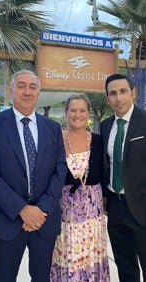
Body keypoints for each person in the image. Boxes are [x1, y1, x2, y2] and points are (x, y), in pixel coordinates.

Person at [0, 69, 67, 282]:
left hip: (44, 221)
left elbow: (60, 169)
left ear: (39, 92)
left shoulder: (53, 128)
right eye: (21, 86)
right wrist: (22, 209)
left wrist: (41, 209)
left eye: (33, 87)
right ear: (11, 90)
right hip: (8, 220)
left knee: (41, 277)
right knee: (5, 277)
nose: (27, 91)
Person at [50, 93, 110, 281]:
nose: (78, 114)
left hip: (93, 213)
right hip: (65, 212)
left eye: (82, 110)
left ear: (88, 113)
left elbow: (103, 173)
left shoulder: (98, 141)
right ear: (66, 113)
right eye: (73, 110)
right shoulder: (56, 140)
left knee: (90, 256)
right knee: (68, 254)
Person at [100, 73, 146, 282]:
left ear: (133, 93)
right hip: (116, 209)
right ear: (107, 98)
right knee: (125, 267)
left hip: (142, 207)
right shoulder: (105, 125)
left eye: (123, 91)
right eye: (113, 94)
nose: (119, 98)